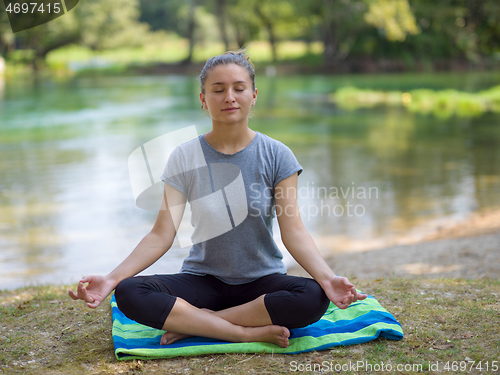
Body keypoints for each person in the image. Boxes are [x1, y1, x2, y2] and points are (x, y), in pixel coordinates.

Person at [69, 51, 367, 348]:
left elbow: (294, 231)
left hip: (262, 281)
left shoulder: (277, 155)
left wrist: (328, 280)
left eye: (239, 88)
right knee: (130, 292)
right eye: (218, 89)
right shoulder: (184, 156)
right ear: (203, 99)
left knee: (313, 296)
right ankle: (243, 331)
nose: (230, 97)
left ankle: (200, 323)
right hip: (203, 280)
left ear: (254, 95)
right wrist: (111, 279)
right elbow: (161, 235)